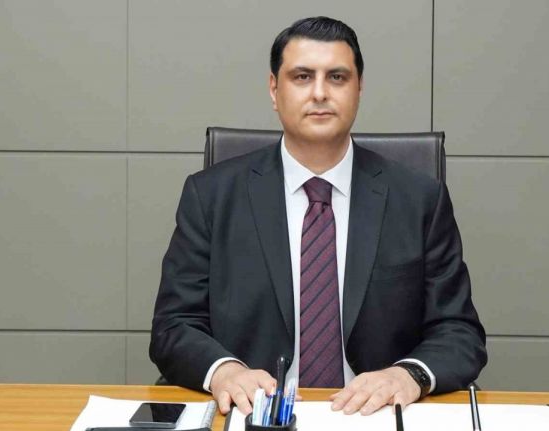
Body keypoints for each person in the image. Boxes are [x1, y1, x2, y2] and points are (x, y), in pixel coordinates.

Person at [150, 16, 486, 417]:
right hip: (252, 415)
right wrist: (224, 372)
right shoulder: (210, 196)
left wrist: (408, 375)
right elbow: (173, 326)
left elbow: (459, 332)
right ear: (274, 89)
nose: (320, 93)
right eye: (302, 76)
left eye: (338, 77)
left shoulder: (419, 199)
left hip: (374, 416)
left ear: (359, 88)